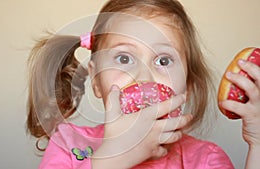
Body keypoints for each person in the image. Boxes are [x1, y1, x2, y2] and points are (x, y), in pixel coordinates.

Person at [26, 0, 260, 168]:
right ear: (97, 81)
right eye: (124, 58)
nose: (144, 76)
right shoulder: (69, 144)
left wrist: (258, 144)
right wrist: (113, 158)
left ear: (186, 87)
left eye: (163, 60)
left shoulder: (205, 159)